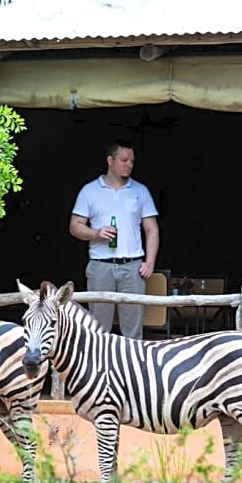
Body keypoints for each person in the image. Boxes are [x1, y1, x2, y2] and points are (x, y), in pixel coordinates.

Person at [69, 140, 160, 340]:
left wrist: (150, 262)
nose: (129, 165)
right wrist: (95, 233)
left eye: (132, 161)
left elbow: (152, 229)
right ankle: (97, 369)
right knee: (98, 330)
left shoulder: (140, 191)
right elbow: (74, 226)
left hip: (133, 266)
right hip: (101, 265)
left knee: (134, 330)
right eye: (124, 160)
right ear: (110, 160)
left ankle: (132, 369)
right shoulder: (90, 190)